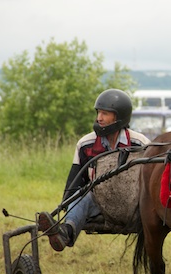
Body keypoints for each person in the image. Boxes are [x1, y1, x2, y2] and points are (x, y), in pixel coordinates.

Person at [38, 89, 150, 251]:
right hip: (100, 202)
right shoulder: (85, 144)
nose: (99, 118)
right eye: (98, 113)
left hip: (132, 203)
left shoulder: (140, 143)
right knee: (82, 195)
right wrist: (65, 206)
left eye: (105, 114)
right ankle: (65, 232)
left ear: (119, 117)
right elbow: (75, 182)